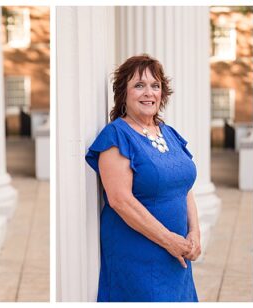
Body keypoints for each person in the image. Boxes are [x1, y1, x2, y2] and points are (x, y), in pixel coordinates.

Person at [85, 54, 200, 302]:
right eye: (139, 85)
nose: (149, 93)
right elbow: (120, 200)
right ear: (123, 94)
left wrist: (195, 233)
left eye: (155, 86)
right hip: (138, 253)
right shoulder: (116, 135)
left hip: (177, 255)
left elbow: (184, 186)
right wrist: (169, 240)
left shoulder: (169, 133)